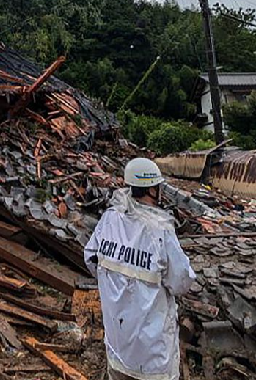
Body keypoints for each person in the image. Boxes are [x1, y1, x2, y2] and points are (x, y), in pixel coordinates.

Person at [84, 158, 195, 380]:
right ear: (153, 189)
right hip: (152, 356)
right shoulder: (160, 230)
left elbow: (91, 259)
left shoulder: (109, 219)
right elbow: (182, 281)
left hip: (117, 343)